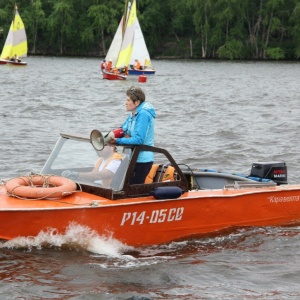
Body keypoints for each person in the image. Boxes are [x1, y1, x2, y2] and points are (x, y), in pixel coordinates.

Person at [111, 86, 156, 184]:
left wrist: (117, 141)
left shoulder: (143, 114)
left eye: (128, 100)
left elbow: (139, 140)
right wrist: (109, 137)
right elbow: (123, 130)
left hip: (142, 161)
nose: (125, 103)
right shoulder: (133, 113)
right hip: (131, 157)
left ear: (137, 102)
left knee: (129, 189)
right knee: (115, 183)